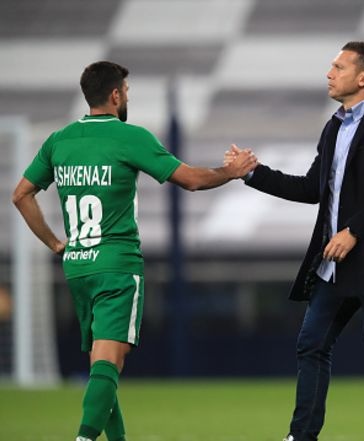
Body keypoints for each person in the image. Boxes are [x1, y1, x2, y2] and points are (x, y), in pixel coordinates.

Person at [12, 61, 257, 441]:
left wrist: (55, 243)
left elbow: (21, 195)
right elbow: (191, 180)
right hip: (116, 266)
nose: (127, 97)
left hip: (78, 267)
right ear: (115, 95)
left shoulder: (58, 140)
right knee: (108, 364)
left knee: (101, 366)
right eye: (126, 92)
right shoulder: (129, 137)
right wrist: (231, 171)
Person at [226, 41, 364, 441]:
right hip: (334, 265)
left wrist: (353, 231)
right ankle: (302, 436)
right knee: (311, 346)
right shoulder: (333, 126)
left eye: (338, 67)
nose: (329, 74)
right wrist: (252, 173)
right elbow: (311, 188)